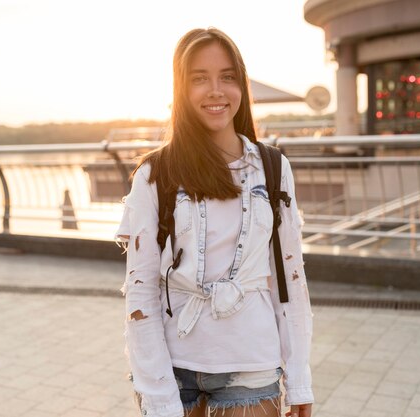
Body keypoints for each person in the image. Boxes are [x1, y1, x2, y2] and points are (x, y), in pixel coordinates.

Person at [116, 27, 314, 417]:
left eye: (227, 76)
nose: (216, 90)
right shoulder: (156, 173)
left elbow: (290, 279)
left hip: (252, 362)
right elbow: (140, 292)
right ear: (180, 90)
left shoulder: (273, 167)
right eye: (199, 79)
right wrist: (159, 398)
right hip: (171, 366)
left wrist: (300, 378)